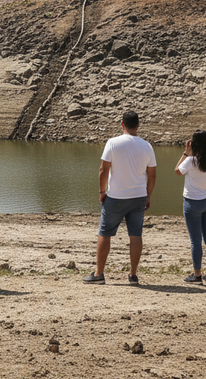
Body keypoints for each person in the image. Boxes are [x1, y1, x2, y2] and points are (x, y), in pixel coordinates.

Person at [84, 111, 157, 285]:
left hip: (115, 196)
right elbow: (152, 175)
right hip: (138, 196)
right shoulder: (147, 146)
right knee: (135, 234)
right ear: (138, 125)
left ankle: (99, 274)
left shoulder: (113, 143)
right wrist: (148, 195)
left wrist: (102, 192)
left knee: (105, 233)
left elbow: (103, 170)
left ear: (122, 124)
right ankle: (132, 275)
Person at [175, 130, 206, 283]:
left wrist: (186, 153)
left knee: (195, 240)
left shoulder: (190, 161)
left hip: (192, 203)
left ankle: (197, 275)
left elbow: (177, 171)